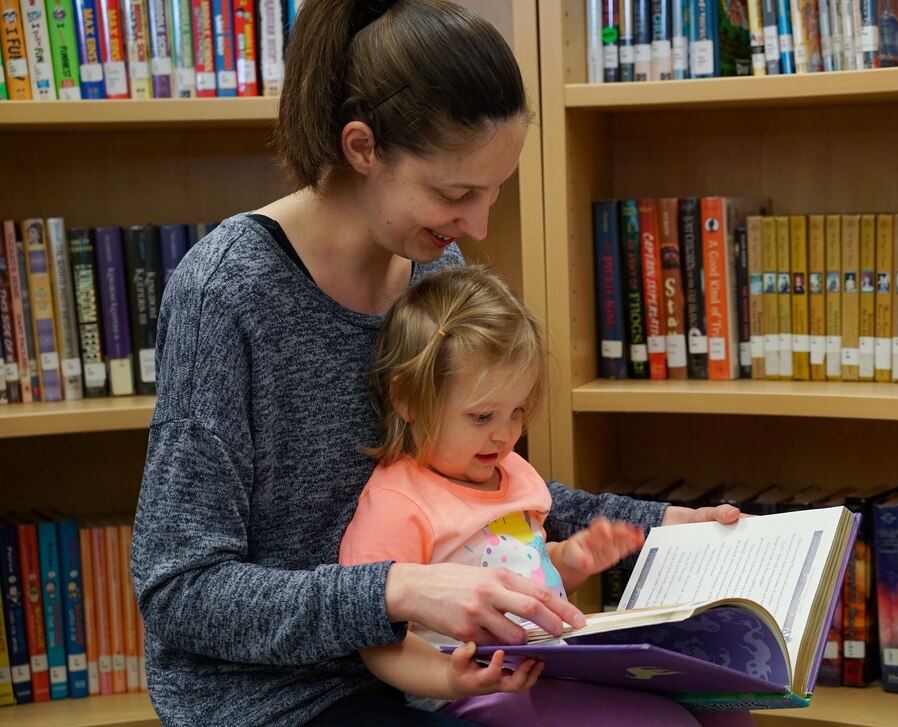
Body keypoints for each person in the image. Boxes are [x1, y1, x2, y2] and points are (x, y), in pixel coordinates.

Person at [130, 1, 744, 725]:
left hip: (442, 660)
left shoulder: (431, 266)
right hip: (283, 695)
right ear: (363, 148)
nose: (478, 227)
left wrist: (666, 522)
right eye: (456, 194)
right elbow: (179, 590)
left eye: (494, 193)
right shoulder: (224, 293)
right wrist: (397, 590)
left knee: (717, 708)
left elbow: (480, 486)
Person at [341, 265, 731, 724]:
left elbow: (522, 565)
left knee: (723, 708)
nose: (505, 435)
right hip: (478, 691)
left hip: (550, 664)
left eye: (518, 410)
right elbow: (375, 638)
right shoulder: (398, 502)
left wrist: (569, 560)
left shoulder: (510, 472)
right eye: (482, 417)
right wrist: (452, 678)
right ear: (407, 399)